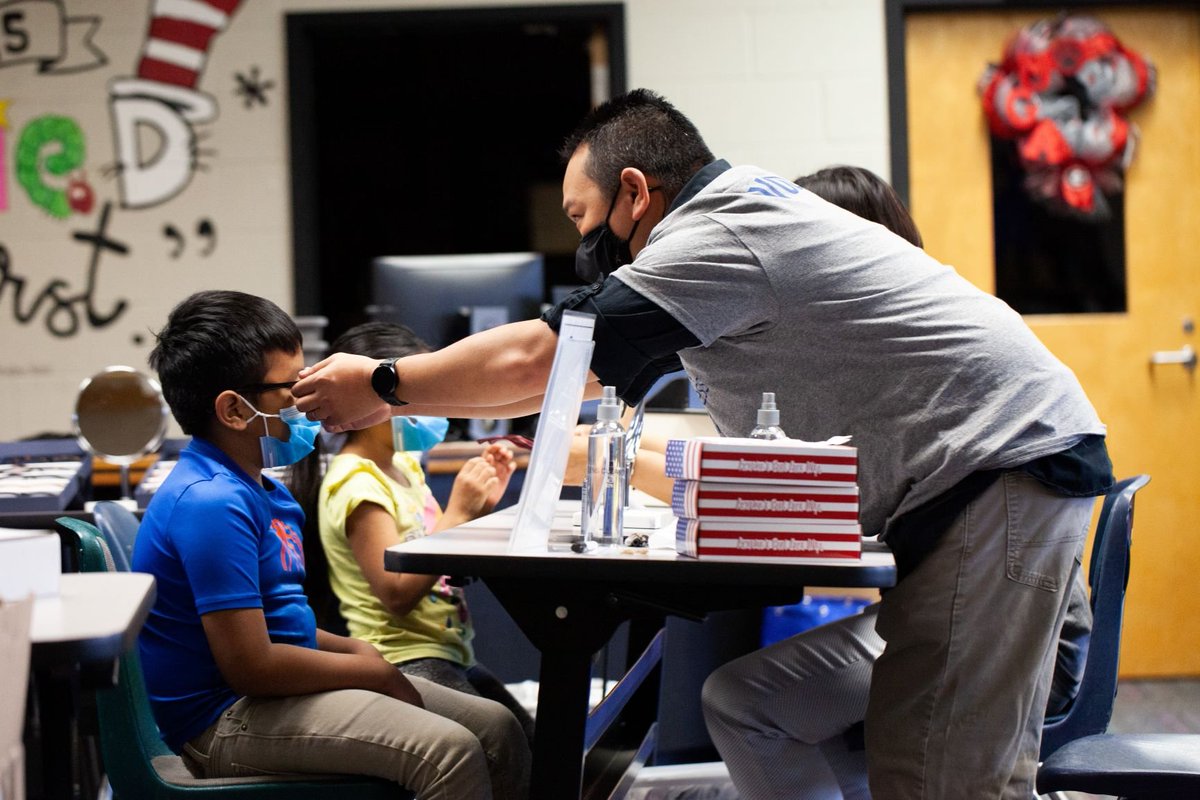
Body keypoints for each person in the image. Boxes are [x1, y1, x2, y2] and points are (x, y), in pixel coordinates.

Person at [291, 89, 1114, 798]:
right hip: (985, 483)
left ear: (635, 192)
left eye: (582, 217)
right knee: (796, 715)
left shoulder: (718, 234)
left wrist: (384, 383)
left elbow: (541, 357)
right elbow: (562, 373)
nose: (583, 243)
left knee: (938, 776)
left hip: (995, 477)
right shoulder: (736, 221)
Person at [700, 165, 1093, 800]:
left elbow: (807, 491)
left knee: (758, 706)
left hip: (1027, 637)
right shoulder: (907, 356)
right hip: (999, 608)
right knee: (746, 699)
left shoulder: (909, 359)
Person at [132, 290, 530, 799]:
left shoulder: (262, 489)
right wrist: (368, 670)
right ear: (233, 410)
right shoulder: (210, 502)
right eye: (291, 387)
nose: (306, 401)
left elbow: (284, 625)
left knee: (498, 729)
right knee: (448, 752)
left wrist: (358, 653)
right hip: (223, 720)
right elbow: (251, 667)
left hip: (266, 695)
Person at [288, 321, 535, 745]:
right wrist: (458, 511)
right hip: (404, 659)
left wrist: (478, 505)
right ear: (367, 398)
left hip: (450, 651)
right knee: (503, 741)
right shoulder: (357, 483)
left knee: (533, 743)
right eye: (411, 394)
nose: (430, 406)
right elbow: (397, 594)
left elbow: (438, 543)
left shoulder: (404, 466)